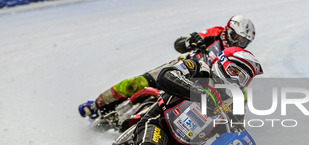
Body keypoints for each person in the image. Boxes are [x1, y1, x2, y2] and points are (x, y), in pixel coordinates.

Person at [62, 47, 272, 145]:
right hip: (159, 123)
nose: (237, 80)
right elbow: (166, 75)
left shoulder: (234, 104)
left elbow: (234, 139)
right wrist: (199, 92)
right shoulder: (199, 68)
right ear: (222, 63)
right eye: (235, 71)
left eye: (244, 78)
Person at [78, 15, 256, 119]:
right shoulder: (214, 34)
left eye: (244, 41)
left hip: (201, 85)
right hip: (183, 67)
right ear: (228, 30)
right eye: (236, 37)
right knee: (138, 82)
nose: (238, 43)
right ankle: (96, 104)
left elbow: (241, 86)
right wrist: (191, 41)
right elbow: (179, 44)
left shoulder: (237, 58)